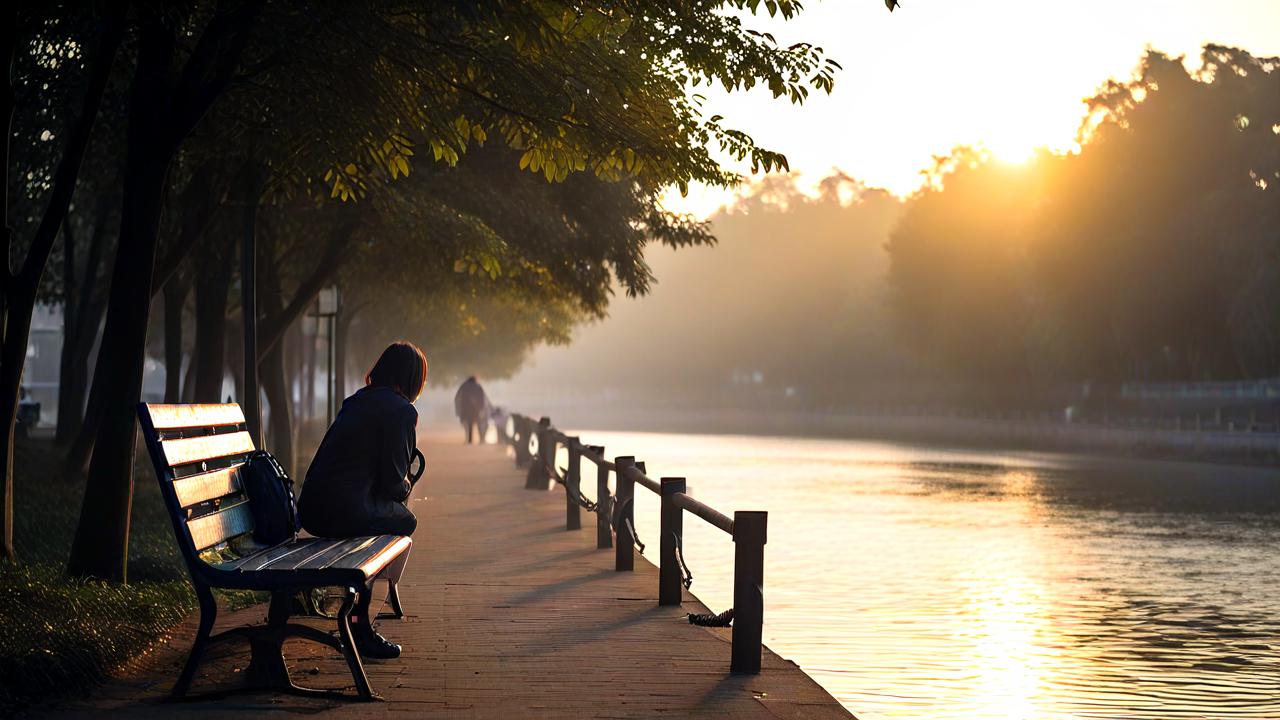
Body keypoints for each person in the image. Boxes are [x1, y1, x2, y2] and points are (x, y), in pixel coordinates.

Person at [297, 341, 427, 659]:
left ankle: (358, 615)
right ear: (411, 379)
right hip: (345, 512)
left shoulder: (356, 401)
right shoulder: (402, 410)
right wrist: (407, 485)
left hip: (313, 509)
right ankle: (359, 623)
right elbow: (394, 484)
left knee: (378, 523)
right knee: (404, 520)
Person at [454, 375, 489, 444]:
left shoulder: (463, 387)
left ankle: (469, 439)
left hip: (465, 409)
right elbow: (482, 399)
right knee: (479, 423)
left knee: (468, 424)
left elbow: (457, 398)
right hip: (476, 409)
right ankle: (481, 439)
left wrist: (458, 409)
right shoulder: (478, 386)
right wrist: (481, 408)